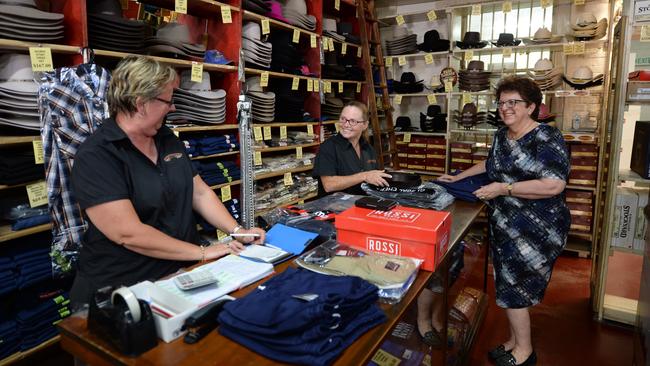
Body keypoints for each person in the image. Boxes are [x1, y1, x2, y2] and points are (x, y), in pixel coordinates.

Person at [70, 55, 265, 306]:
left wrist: (238, 231)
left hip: (180, 273)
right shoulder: (97, 156)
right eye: (168, 100)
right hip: (124, 290)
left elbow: (198, 192)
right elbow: (127, 233)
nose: (172, 107)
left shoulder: (165, 138)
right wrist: (203, 252)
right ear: (141, 104)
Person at [438, 76, 570, 366]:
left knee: (516, 287)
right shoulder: (502, 135)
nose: (505, 108)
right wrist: (458, 177)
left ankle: (524, 353)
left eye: (513, 102)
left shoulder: (546, 137)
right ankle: (513, 342)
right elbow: (490, 164)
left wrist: (504, 188)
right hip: (505, 224)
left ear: (531, 106)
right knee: (508, 284)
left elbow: (553, 185)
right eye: (501, 103)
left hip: (537, 228)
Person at [312, 101, 391, 196]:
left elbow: (375, 176)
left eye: (353, 121)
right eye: (343, 119)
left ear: (365, 125)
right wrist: (364, 176)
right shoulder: (329, 147)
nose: (346, 124)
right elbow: (329, 185)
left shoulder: (368, 148)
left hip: (362, 204)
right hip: (335, 207)